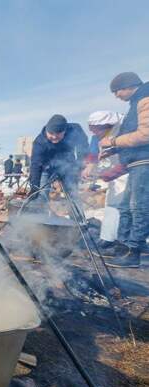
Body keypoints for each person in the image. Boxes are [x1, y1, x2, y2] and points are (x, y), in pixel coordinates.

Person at [100, 72, 149, 268]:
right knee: (127, 207)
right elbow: (133, 135)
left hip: (144, 161)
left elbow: (145, 135)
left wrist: (112, 140)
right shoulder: (136, 103)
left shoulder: (145, 100)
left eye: (116, 91)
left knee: (140, 207)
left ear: (128, 86)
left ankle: (133, 252)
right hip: (137, 162)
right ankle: (126, 246)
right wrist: (115, 148)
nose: (116, 96)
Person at [82, 111, 126, 251]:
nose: (94, 133)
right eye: (91, 129)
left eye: (96, 130)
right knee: (112, 204)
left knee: (126, 207)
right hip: (114, 173)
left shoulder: (123, 130)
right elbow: (93, 152)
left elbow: (129, 158)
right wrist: (89, 166)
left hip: (126, 172)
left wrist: (106, 175)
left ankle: (124, 243)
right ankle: (108, 238)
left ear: (106, 125)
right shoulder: (97, 135)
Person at [28, 114, 89, 205]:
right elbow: (35, 165)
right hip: (47, 168)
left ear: (65, 131)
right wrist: (34, 188)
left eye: (58, 134)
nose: (54, 137)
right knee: (41, 195)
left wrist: (80, 164)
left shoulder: (74, 129)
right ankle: (40, 217)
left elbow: (83, 145)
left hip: (68, 166)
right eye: (51, 134)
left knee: (72, 195)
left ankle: (77, 217)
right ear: (47, 130)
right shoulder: (39, 142)